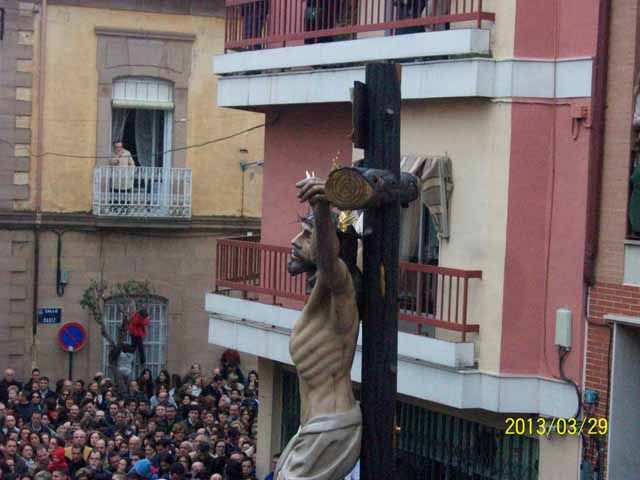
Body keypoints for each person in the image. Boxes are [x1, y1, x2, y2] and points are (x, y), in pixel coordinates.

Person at [274, 175, 362, 479]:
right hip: (313, 429)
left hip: (332, 428)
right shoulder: (320, 298)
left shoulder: (341, 286)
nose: (295, 241)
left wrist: (323, 207)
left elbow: (327, 258)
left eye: (307, 234)